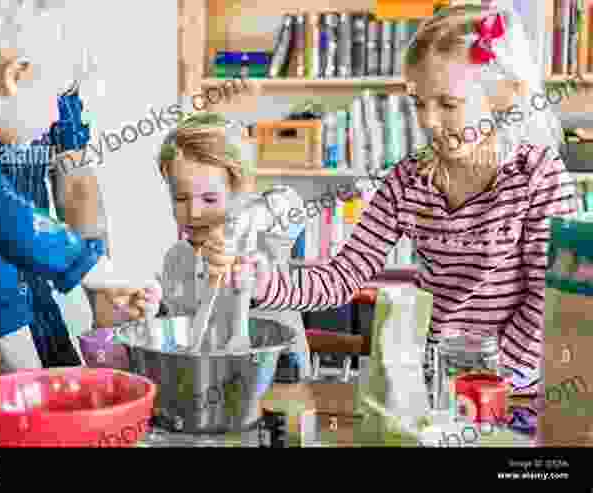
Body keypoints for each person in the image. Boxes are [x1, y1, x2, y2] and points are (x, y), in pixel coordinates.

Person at [196, 4, 578, 410]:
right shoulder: (407, 181)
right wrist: (261, 281)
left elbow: (548, 299)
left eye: (448, 104)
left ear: (501, 98)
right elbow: (340, 279)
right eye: (418, 103)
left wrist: (488, 381)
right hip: (434, 384)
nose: (429, 121)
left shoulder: (536, 174)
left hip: (518, 391)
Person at [0, 0, 146, 415]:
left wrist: (29, 384)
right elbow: (7, 218)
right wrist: (100, 272)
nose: (54, 120)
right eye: (53, 98)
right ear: (16, 76)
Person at [96, 112, 311, 378]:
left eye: (210, 198)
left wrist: (236, 226)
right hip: (212, 387)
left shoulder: (262, 236)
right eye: (181, 198)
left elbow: (292, 205)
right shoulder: (176, 259)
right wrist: (149, 313)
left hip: (281, 383)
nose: (194, 212)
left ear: (240, 191)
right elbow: (179, 330)